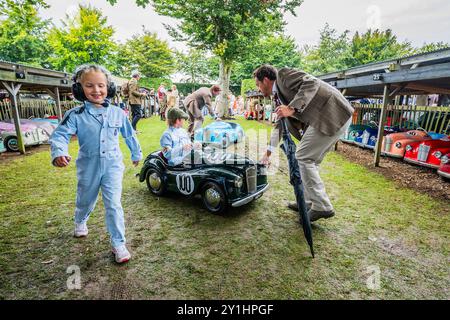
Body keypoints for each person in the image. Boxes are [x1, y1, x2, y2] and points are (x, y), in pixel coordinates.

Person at [49, 64, 143, 264]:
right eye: (89, 85)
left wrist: (136, 152)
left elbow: (129, 134)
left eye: (101, 85)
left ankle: (118, 243)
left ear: (108, 87)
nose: (96, 90)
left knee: (114, 204)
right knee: (86, 199)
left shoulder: (118, 113)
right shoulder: (75, 115)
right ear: (79, 89)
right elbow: (60, 135)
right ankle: (80, 220)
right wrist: (59, 152)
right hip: (88, 166)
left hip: (113, 166)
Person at [255, 64, 353, 223]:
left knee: (303, 157)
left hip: (333, 114)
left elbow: (311, 82)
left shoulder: (283, 75)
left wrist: (292, 108)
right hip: (330, 118)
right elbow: (280, 126)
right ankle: (307, 202)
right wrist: (267, 154)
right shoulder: (278, 97)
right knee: (309, 161)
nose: (258, 89)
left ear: (265, 80)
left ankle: (322, 206)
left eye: (258, 84)